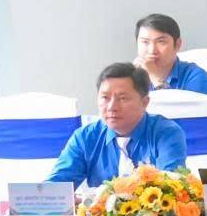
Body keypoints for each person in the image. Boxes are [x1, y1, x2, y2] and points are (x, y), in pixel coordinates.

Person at [48, 64, 187, 185]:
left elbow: (171, 188)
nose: (111, 107)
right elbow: (55, 188)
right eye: (105, 98)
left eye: (123, 98)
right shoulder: (85, 138)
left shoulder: (167, 134)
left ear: (144, 102)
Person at [135, 14, 207, 96]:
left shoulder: (195, 75)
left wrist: (156, 78)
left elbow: (172, 104)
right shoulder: (131, 76)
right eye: (145, 42)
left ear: (177, 44)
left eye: (161, 42)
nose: (152, 50)